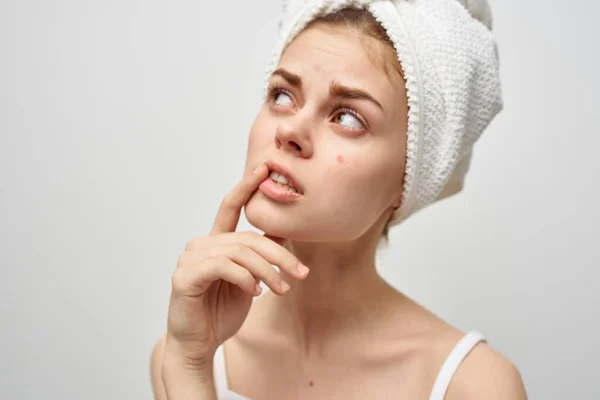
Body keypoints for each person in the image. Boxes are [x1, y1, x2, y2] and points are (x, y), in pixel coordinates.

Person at [150, 0, 528, 399]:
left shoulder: (475, 385)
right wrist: (190, 365)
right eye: (281, 95)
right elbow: (186, 360)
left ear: (410, 177)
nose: (290, 129)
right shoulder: (189, 354)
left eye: (347, 118)